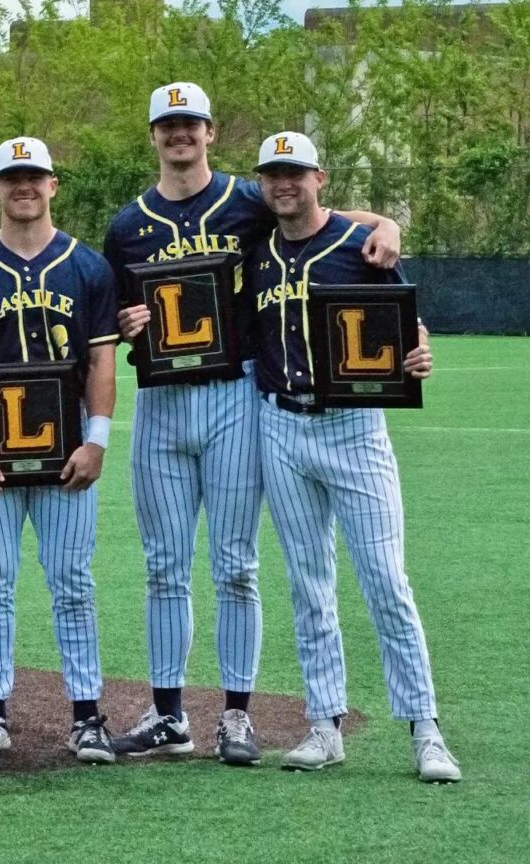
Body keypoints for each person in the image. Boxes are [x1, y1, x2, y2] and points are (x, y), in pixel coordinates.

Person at [104, 82, 402, 764]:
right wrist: (129, 324)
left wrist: (385, 222)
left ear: (210, 132)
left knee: (236, 563)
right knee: (163, 565)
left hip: (234, 393)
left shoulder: (247, 199)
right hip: (162, 400)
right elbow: (123, 320)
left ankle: (236, 715)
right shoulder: (128, 226)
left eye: (191, 124)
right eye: (168, 125)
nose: (180, 135)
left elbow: (325, 215)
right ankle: (168, 713)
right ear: (153, 136)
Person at [247, 131, 459, 783]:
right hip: (280, 425)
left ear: (322, 178)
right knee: (308, 584)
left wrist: (417, 353)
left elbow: (405, 326)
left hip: (353, 429)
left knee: (386, 583)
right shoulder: (255, 251)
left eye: (296, 172)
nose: (285, 183)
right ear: (263, 183)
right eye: (273, 174)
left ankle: (425, 729)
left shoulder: (358, 244)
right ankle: (324, 724)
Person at [0, 137, 119, 763]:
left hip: (67, 453)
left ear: (53, 184)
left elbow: (101, 360)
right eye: (12, 177)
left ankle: (87, 714)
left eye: (34, 176)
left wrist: (97, 440)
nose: (24, 187)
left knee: (72, 582)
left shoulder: (87, 266)